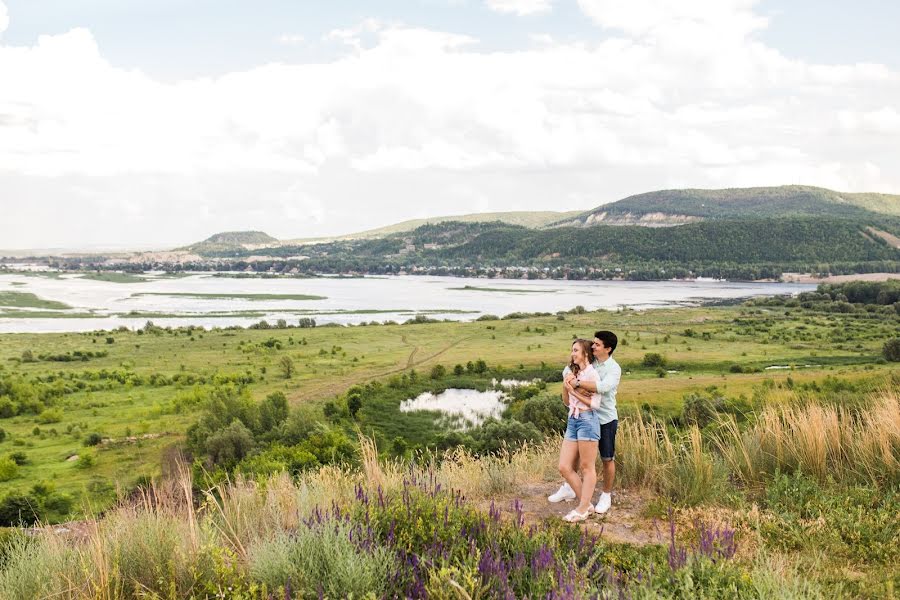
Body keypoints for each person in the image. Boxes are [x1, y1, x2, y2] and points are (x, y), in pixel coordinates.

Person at [549, 330, 621, 516]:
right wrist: (571, 380)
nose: (593, 346)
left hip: (604, 418)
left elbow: (602, 388)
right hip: (581, 416)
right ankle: (569, 488)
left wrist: (577, 384)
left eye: (597, 344)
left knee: (606, 458)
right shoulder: (592, 362)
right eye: (594, 344)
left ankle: (605, 495)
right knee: (573, 459)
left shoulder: (614, 368)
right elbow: (570, 370)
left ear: (608, 348)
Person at [556, 339, 602, 522]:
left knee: (586, 467)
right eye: (572, 350)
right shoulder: (572, 373)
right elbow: (566, 402)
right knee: (564, 466)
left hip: (587, 420)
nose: (572, 353)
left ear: (586, 354)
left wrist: (575, 390)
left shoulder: (593, 375)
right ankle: (587, 504)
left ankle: (582, 509)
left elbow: (596, 404)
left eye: (576, 350)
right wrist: (566, 385)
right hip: (572, 420)